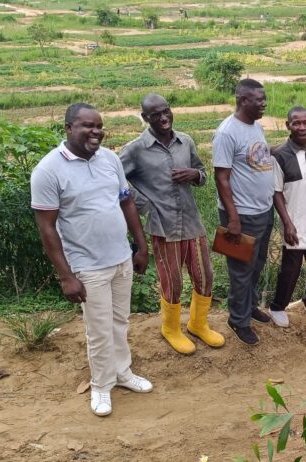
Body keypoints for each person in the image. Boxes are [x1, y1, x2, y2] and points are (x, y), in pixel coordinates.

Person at [30, 103, 153, 417]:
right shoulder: (48, 170)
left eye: (99, 126)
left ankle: (122, 373)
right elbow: (47, 228)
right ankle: (101, 385)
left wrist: (141, 246)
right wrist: (66, 276)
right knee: (98, 329)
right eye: (88, 126)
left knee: (120, 321)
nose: (96, 132)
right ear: (69, 127)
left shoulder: (110, 159)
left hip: (121, 258)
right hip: (87, 265)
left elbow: (126, 203)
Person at [119, 94, 223, 355]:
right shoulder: (136, 149)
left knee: (205, 276)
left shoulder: (185, 141)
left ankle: (198, 324)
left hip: (192, 222)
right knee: (172, 281)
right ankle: (171, 328)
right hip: (163, 226)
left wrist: (195, 174)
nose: (164, 118)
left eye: (166, 111)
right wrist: (144, 204)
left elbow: (203, 173)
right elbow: (116, 179)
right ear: (145, 118)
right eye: (156, 115)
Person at [213, 78, 274, 345]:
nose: (264, 104)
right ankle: (238, 320)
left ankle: (249, 307)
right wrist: (233, 219)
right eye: (259, 100)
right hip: (241, 216)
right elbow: (221, 178)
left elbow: (258, 159)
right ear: (242, 100)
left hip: (263, 211)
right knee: (240, 271)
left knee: (257, 265)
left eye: (264, 99)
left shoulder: (256, 126)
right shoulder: (227, 133)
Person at [266, 106, 306, 327]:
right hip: (295, 220)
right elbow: (276, 191)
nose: (302, 127)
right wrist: (287, 223)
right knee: (291, 267)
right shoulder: (280, 154)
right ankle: (278, 306)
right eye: (296, 123)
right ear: (288, 126)